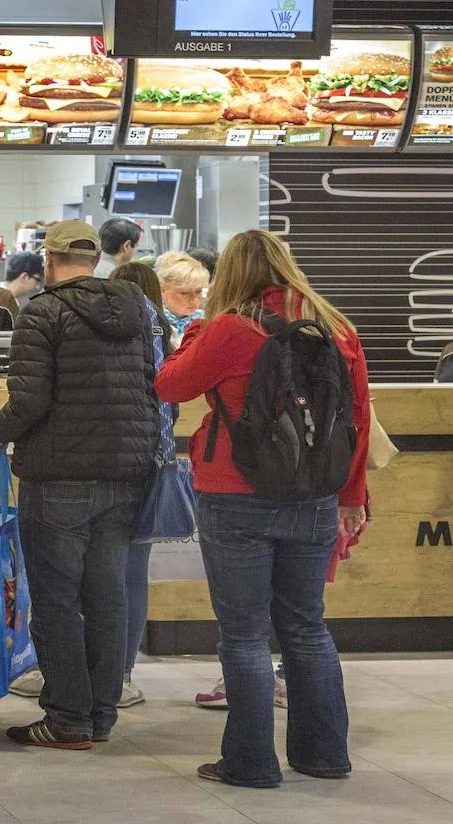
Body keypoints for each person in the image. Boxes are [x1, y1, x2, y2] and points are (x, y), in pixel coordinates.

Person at [155, 229, 368, 788]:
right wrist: (350, 496)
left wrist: (194, 334)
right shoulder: (336, 328)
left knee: (245, 634)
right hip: (315, 495)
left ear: (230, 273)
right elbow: (358, 420)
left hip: (235, 493)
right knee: (306, 627)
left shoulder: (227, 327)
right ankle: (323, 755)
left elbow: (170, 386)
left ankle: (250, 762)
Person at [0, 221, 157, 750]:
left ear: (49, 258)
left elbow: (30, 400)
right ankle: (100, 715)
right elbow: (153, 385)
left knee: (58, 602)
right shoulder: (135, 310)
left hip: (60, 477)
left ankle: (66, 719)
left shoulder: (42, 311)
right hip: (124, 474)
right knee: (108, 598)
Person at [109, 261, 176, 709]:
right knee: (134, 575)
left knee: (105, 575)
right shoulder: (164, 338)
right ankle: (125, 673)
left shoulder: (112, 335)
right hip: (157, 466)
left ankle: (104, 670)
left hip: (113, 464)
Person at [156, 251, 211, 349]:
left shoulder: (208, 322)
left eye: (198, 291)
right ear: (162, 290)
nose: (194, 299)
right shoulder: (154, 322)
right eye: (184, 293)